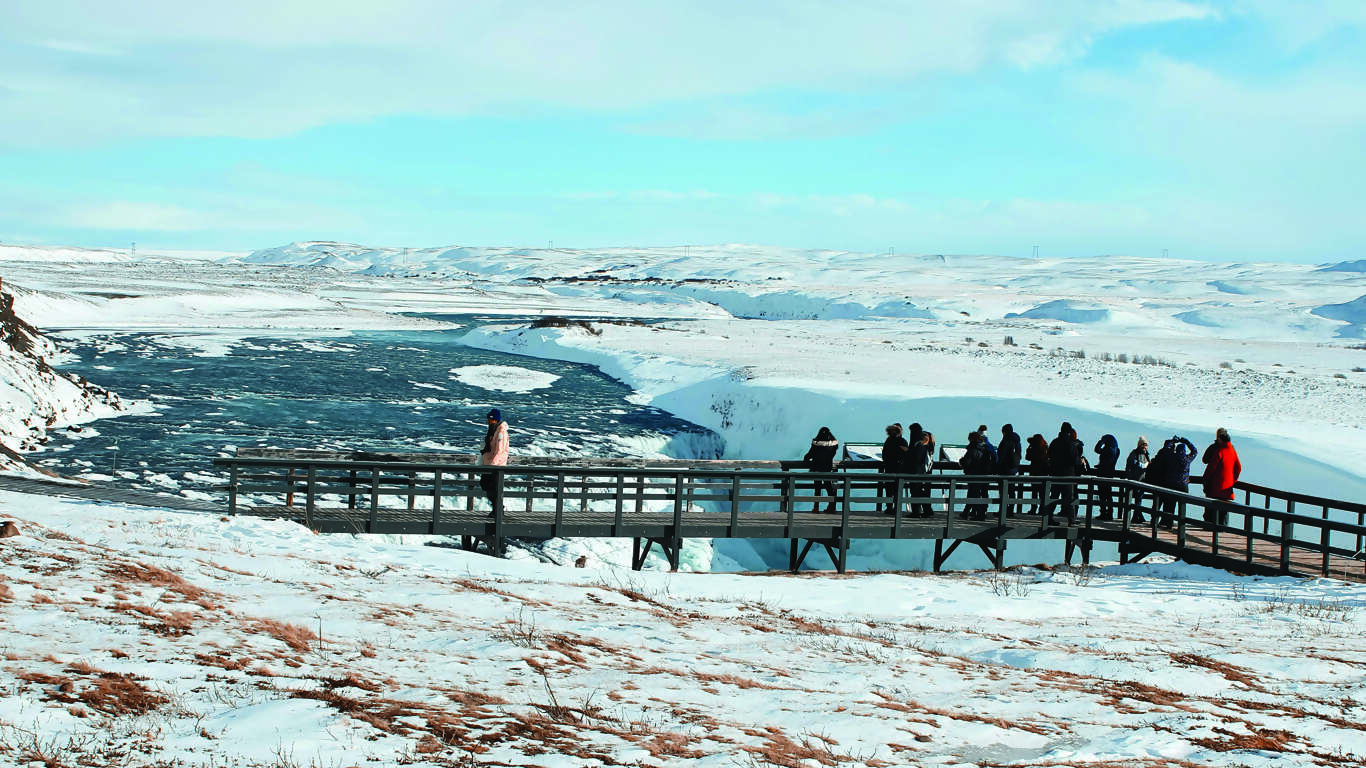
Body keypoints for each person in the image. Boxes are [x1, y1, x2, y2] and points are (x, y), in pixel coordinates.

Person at [1151, 436, 1197, 529]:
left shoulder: (1171, 457)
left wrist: (1172, 441)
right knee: (1181, 506)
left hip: (1171, 484)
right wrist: (1187, 442)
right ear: (1184, 451)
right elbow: (1195, 451)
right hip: (1183, 486)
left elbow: (1164, 450)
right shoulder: (1187, 459)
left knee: (1169, 505)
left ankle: (1168, 523)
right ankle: (1181, 525)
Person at [1045, 422, 1087, 522]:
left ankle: (1048, 517)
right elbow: (1074, 459)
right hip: (1068, 475)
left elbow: (1049, 455)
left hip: (1055, 474)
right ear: (1069, 431)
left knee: (1054, 496)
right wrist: (1080, 461)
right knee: (1069, 497)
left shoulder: (1055, 442)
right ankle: (1071, 519)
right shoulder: (1071, 444)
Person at [1201, 427, 1242, 526]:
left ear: (1219, 437)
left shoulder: (1218, 451)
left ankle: (1209, 530)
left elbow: (1209, 467)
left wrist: (1205, 481)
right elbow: (1238, 468)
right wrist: (1232, 480)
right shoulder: (1232, 450)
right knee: (1223, 512)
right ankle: (1223, 531)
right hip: (1227, 488)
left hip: (1215, 486)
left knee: (1210, 510)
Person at [479, 408, 509, 515]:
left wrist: (493, 465)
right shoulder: (493, 430)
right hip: (489, 464)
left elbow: (499, 450)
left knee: (493, 488)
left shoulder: (501, 432)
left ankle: (498, 509)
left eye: (490, 419)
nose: (488, 420)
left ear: (495, 420)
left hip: (496, 466)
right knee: (484, 484)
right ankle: (497, 507)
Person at [959, 431, 994, 520]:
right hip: (985, 475)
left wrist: (961, 461)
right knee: (977, 493)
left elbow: (967, 462)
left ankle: (980, 514)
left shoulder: (972, 449)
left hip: (974, 475)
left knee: (974, 494)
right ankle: (967, 512)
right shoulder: (985, 449)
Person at [803, 426, 840, 513]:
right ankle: (832, 506)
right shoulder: (833, 445)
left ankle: (816, 508)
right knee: (828, 487)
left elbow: (810, 455)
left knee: (817, 487)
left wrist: (806, 458)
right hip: (827, 468)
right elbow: (832, 454)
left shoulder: (816, 444)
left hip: (817, 468)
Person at [880, 424, 908, 513]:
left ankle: (889, 507)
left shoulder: (888, 440)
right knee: (897, 489)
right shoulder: (902, 441)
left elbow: (884, 454)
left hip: (889, 468)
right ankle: (897, 507)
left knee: (889, 488)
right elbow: (906, 453)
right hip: (899, 469)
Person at [907, 430, 935, 517]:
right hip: (924, 473)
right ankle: (927, 510)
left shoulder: (919, 446)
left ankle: (916, 512)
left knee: (915, 492)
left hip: (917, 473)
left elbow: (916, 460)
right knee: (922, 492)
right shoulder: (928, 447)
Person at [1093, 433, 1120, 520]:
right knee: (1108, 495)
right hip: (1110, 474)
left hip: (1102, 474)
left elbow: (1097, 450)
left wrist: (1100, 441)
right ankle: (1110, 513)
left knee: (1102, 494)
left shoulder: (1107, 449)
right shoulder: (1116, 450)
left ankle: (1103, 512)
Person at [1124, 436, 1151, 524]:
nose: (1144, 446)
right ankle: (1138, 516)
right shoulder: (1134, 454)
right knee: (1138, 498)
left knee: (1139, 498)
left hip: (1143, 480)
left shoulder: (1147, 454)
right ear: (1139, 445)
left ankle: (1137, 516)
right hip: (1135, 480)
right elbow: (1130, 466)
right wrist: (1129, 477)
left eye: (1146, 445)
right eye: (1143, 444)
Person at [997, 424, 1022, 515]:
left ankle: (1002, 510)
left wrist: (997, 468)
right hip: (1013, 469)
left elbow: (1001, 456)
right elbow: (1019, 455)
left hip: (1004, 469)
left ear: (1004, 432)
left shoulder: (1005, 441)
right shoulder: (1017, 442)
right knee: (1011, 491)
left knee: (1003, 491)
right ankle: (1011, 510)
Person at [1025, 433, 1049, 514]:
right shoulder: (1045, 448)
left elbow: (1027, 457)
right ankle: (1042, 509)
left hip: (1034, 473)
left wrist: (1029, 448)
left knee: (1034, 492)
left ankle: (1033, 509)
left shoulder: (1034, 448)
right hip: (1044, 473)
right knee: (1043, 493)